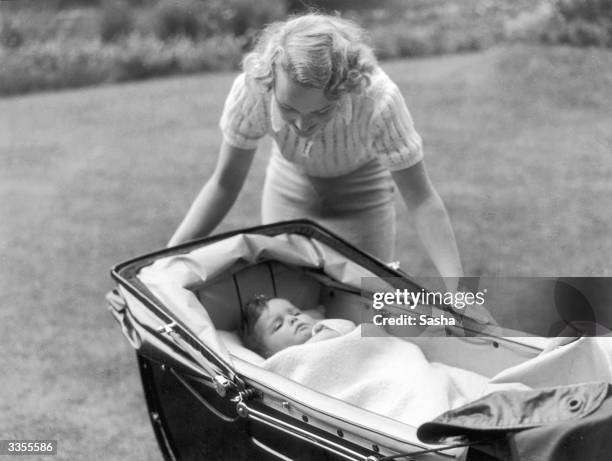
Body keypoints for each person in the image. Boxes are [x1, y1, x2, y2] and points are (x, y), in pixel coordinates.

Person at [168, 13, 463, 290]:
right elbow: (224, 183)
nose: (301, 124)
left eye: (320, 111)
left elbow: (422, 201)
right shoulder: (253, 90)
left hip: (362, 193)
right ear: (270, 81)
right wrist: (166, 260)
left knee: (364, 302)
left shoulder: (377, 99)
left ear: (344, 89)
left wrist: (460, 293)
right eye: (287, 108)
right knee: (285, 295)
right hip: (289, 185)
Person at [240, 294, 356, 358]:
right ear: (268, 353)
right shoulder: (281, 363)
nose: (292, 319)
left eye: (296, 313)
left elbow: (349, 328)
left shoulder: (326, 327)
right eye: (278, 325)